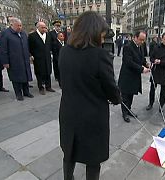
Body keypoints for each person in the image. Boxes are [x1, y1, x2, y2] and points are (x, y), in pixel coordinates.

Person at [58, 11, 121, 180]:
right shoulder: (100, 55)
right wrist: (116, 98)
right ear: (93, 32)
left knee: (69, 151)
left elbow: (65, 81)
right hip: (92, 116)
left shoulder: (64, 52)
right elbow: (110, 87)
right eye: (101, 34)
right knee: (93, 159)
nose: (102, 38)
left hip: (68, 112)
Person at [118, 31, 151, 123]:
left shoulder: (140, 46)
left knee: (131, 94)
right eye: (141, 39)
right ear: (135, 37)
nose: (142, 42)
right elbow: (128, 62)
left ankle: (128, 110)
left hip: (134, 76)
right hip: (127, 76)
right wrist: (141, 69)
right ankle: (124, 113)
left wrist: (146, 64)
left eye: (144, 40)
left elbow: (142, 58)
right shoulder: (127, 47)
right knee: (125, 95)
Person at [0, 18, 34, 101]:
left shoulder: (23, 33)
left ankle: (26, 92)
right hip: (13, 61)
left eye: (20, 25)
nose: (20, 27)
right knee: (16, 78)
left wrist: (29, 55)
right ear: (12, 25)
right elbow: (2, 49)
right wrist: (5, 62)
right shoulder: (5, 34)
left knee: (25, 76)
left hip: (24, 59)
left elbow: (26, 46)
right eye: (18, 26)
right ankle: (18, 94)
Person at [146, 32, 165, 112]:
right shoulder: (156, 47)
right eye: (164, 39)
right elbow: (151, 58)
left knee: (163, 91)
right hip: (155, 71)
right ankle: (150, 103)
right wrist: (154, 60)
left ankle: (161, 105)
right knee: (152, 89)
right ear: (161, 39)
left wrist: (160, 62)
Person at [28, 22, 55, 95]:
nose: (44, 29)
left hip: (47, 57)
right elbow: (29, 47)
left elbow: (50, 45)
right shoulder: (32, 36)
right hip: (37, 58)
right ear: (38, 27)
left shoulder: (48, 35)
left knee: (48, 71)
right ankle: (41, 87)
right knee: (39, 72)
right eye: (42, 27)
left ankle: (48, 86)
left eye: (45, 27)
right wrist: (30, 55)